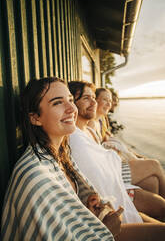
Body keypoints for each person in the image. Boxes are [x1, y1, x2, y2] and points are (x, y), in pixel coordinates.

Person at [1, 77, 118, 241]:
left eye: (70, 100)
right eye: (57, 103)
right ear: (35, 118)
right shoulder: (35, 177)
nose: (72, 108)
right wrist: (109, 230)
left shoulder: (61, 154)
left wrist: (86, 208)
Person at [68, 80, 165, 240]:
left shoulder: (88, 129)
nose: (94, 102)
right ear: (73, 104)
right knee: (154, 167)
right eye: (87, 98)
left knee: (153, 182)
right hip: (107, 204)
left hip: (114, 185)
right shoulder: (76, 139)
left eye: (94, 97)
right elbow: (96, 176)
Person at [89, 87, 165, 219]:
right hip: (111, 171)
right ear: (95, 101)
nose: (109, 104)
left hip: (115, 164)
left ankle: (149, 217)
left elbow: (106, 139)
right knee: (155, 164)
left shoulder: (101, 120)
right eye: (105, 100)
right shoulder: (90, 123)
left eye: (110, 100)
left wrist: (137, 157)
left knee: (152, 181)